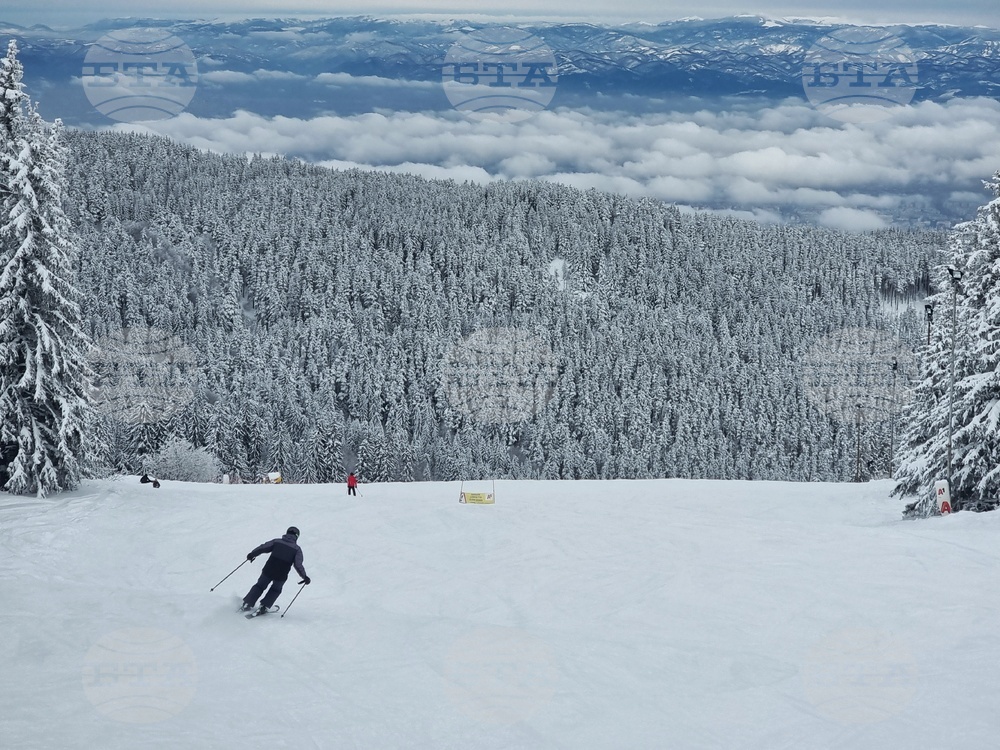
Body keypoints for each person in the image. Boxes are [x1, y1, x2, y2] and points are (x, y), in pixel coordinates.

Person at [241, 526, 310, 614]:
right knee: (275, 590)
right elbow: (298, 564)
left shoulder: (277, 541)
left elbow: (263, 547)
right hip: (281, 574)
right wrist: (305, 577)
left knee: (259, 586)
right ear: (296, 536)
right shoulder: (297, 549)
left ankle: (247, 603)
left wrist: (252, 554)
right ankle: (264, 606)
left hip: (268, 569)